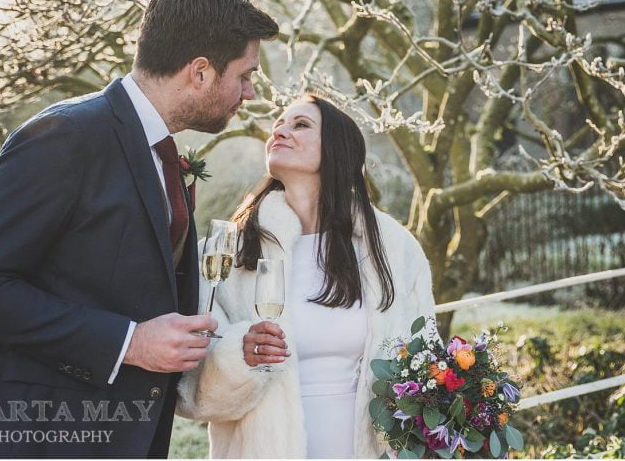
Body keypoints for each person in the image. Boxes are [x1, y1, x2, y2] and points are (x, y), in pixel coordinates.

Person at [0, 0, 279, 458]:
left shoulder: (162, 153)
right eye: (244, 75)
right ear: (199, 71)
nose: (251, 92)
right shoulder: (65, 136)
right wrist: (129, 343)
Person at [176, 95, 437, 458]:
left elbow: (427, 367)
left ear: (336, 149)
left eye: (300, 124)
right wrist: (241, 356)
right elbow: (192, 398)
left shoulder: (393, 248)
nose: (280, 131)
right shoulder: (226, 254)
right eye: (278, 124)